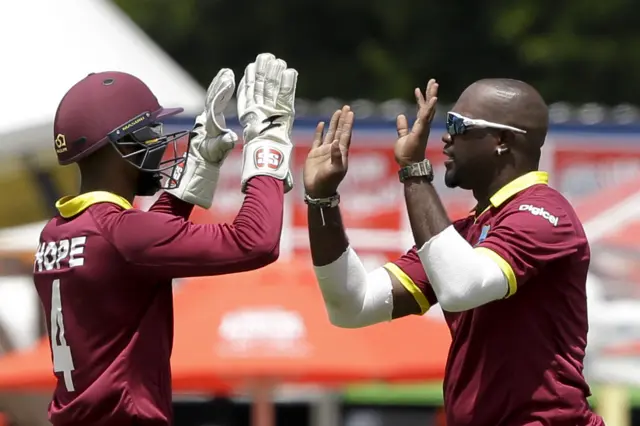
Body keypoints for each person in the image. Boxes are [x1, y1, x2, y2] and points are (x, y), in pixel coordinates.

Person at [303, 79, 604, 426]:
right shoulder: (464, 235)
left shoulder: (545, 215)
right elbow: (352, 305)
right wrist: (321, 199)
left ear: (502, 141)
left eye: (458, 126)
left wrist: (414, 170)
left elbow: (461, 288)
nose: (445, 138)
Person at [32, 53, 298, 426]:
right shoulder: (122, 235)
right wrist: (268, 139)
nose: (159, 145)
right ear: (122, 145)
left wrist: (199, 169)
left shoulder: (57, 232)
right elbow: (257, 241)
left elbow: (137, 250)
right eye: (150, 134)